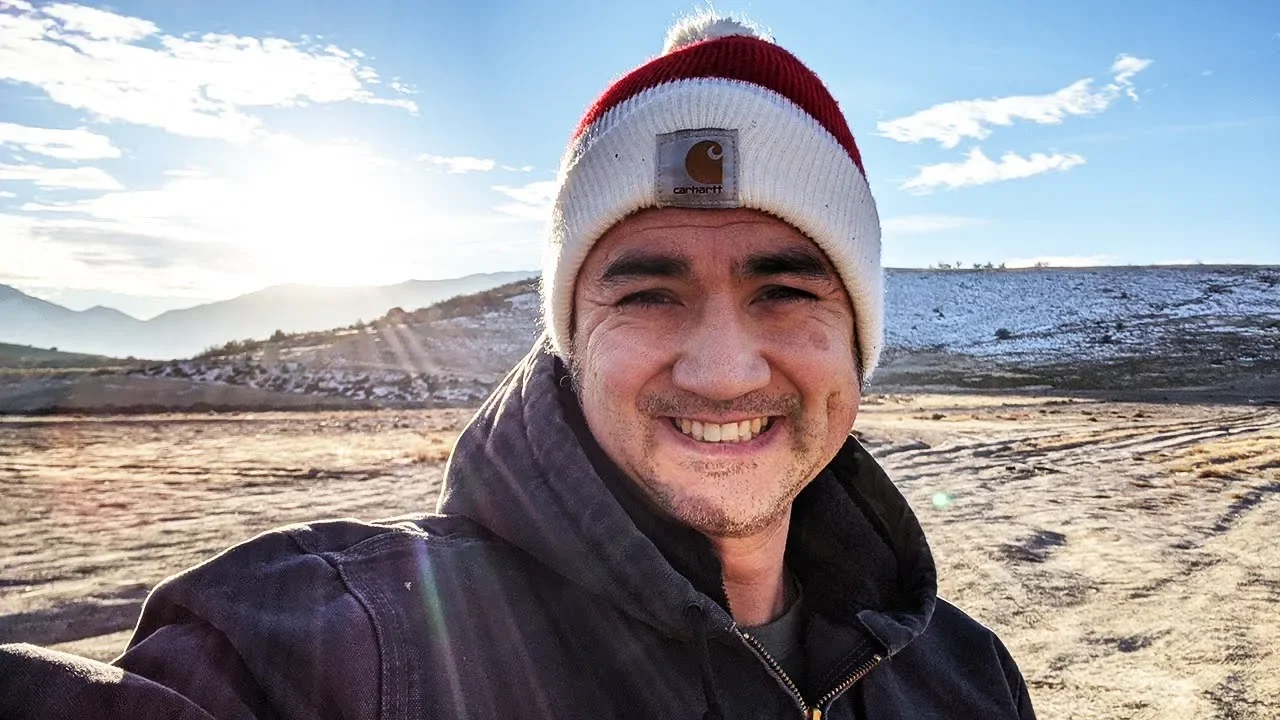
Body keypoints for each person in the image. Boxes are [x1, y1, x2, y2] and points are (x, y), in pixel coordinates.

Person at [0, 13, 1036, 720]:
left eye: (787, 290)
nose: (723, 372)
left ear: (856, 337)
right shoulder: (350, 646)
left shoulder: (964, 676)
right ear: (570, 337)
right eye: (647, 294)